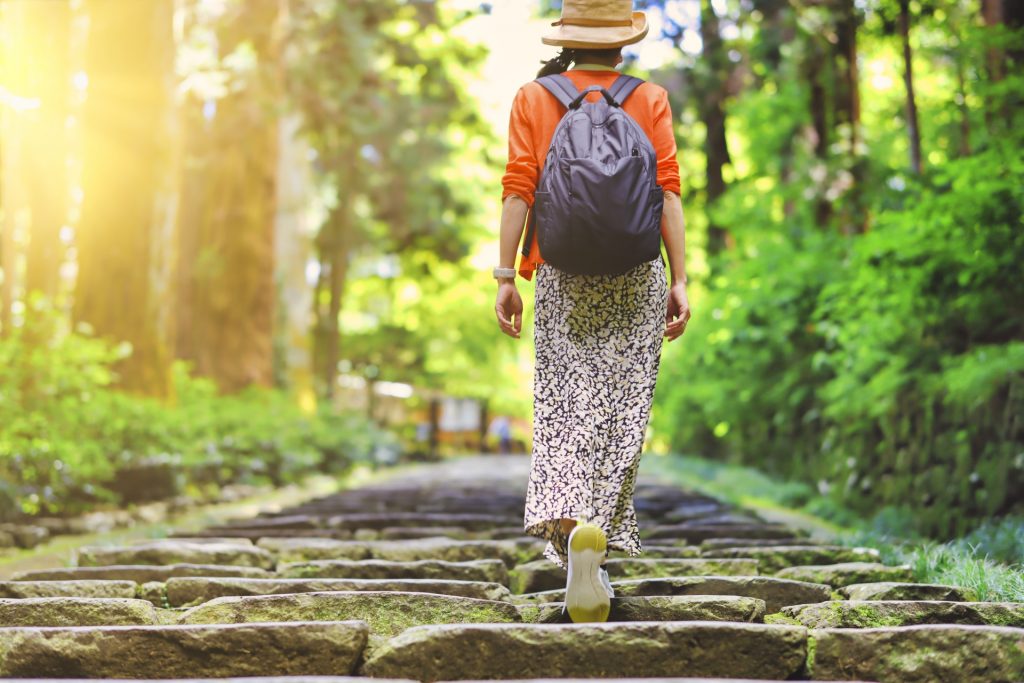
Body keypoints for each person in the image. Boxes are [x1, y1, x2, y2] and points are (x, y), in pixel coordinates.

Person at [492, 0, 691, 622]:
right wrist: (680, 279)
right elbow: (667, 192)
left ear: (568, 40)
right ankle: (598, 528)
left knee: (564, 403)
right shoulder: (649, 98)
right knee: (622, 407)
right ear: (624, 44)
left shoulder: (534, 96)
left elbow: (518, 188)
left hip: (559, 272)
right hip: (636, 274)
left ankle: (572, 530)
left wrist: (506, 276)